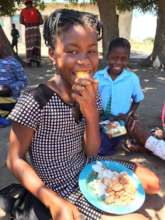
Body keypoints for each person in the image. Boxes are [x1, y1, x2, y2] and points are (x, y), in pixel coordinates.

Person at [6, 9, 159, 220]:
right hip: (59, 184)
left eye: (91, 51)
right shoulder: (35, 100)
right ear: (52, 54)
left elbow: (91, 149)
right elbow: (14, 159)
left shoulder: (91, 93)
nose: (84, 61)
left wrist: (91, 113)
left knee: (152, 183)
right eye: (72, 51)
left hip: (89, 165)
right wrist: (50, 198)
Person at [94, 37, 144, 156]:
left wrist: (128, 115)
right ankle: (115, 138)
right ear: (107, 56)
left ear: (128, 59)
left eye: (123, 59)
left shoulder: (132, 79)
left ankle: (120, 139)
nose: (118, 62)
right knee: (89, 141)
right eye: (114, 58)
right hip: (99, 118)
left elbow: (137, 100)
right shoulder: (98, 76)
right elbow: (93, 97)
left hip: (118, 120)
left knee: (103, 149)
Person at [0, 42, 27, 127]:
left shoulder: (12, 62)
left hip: (10, 98)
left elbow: (24, 81)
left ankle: (8, 118)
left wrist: (10, 88)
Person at [20, 0, 43, 67]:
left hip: (29, 30)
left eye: (29, 3)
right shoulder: (36, 10)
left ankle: (29, 62)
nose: (29, 5)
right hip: (35, 29)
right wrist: (35, 24)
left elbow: (21, 21)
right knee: (36, 45)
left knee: (30, 46)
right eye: (29, 3)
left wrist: (27, 24)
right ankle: (37, 62)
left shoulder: (24, 11)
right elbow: (41, 21)